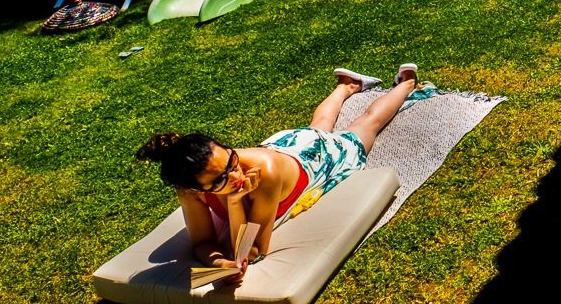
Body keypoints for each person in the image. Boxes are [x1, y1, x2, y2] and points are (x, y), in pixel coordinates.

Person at [136, 63, 421, 285]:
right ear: (197, 189)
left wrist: (234, 202)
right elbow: (202, 243)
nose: (235, 175)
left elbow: (253, 250)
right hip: (288, 145)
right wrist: (218, 264)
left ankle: (407, 82)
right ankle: (348, 86)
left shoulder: (264, 175)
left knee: (364, 127)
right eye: (220, 179)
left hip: (313, 157)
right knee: (318, 124)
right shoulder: (189, 191)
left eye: (231, 159)